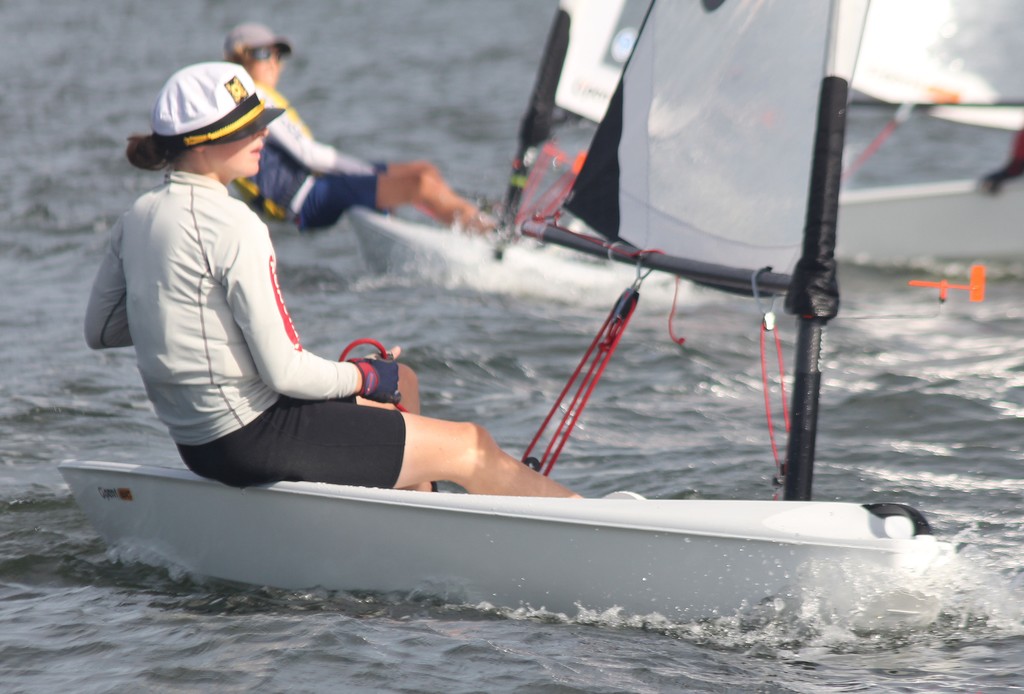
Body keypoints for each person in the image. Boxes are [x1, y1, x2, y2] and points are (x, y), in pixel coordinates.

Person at [84, 61, 577, 499]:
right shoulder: (233, 225)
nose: (264, 138)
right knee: (472, 445)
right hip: (253, 438)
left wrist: (180, 309)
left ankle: (422, 511)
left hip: (200, 443)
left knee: (402, 383)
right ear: (202, 143)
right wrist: (365, 375)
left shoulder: (136, 218)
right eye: (248, 128)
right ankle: (582, 519)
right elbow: (286, 374)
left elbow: (101, 331)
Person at [222, 22, 495, 232]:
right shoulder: (250, 97)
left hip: (319, 184)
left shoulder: (254, 96)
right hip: (306, 199)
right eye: (262, 54)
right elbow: (309, 155)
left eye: (277, 55)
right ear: (238, 59)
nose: (272, 62)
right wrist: (367, 173)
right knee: (420, 184)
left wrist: (367, 175)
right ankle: (488, 234)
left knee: (423, 170)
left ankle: (466, 225)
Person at [979, 127, 1024, 193]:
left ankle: (990, 182)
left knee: (1012, 172)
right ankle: (988, 181)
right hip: (1019, 159)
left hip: (1018, 158)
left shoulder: (1021, 133)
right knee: (1012, 172)